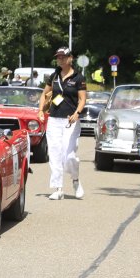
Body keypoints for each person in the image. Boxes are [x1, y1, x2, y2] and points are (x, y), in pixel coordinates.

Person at [37, 47, 87, 199]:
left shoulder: (78, 77)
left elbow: (82, 99)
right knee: (55, 154)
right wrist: (41, 110)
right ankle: (58, 189)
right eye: (58, 57)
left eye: (63, 57)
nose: (60, 59)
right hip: (54, 119)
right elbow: (44, 94)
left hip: (70, 121)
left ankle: (75, 179)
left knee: (69, 155)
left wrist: (77, 113)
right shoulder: (54, 76)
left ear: (70, 58)